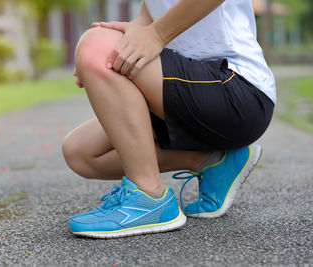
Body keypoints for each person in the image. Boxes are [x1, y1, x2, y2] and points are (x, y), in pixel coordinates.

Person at [62, 0, 275, 238]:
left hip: (234, 88)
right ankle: (212, 161)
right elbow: (149, 15)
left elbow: (154, 32)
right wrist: (115, 44)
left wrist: (153, 36)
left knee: (96, 47)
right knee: (81, 153)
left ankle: (149, 197)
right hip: (183, 86)